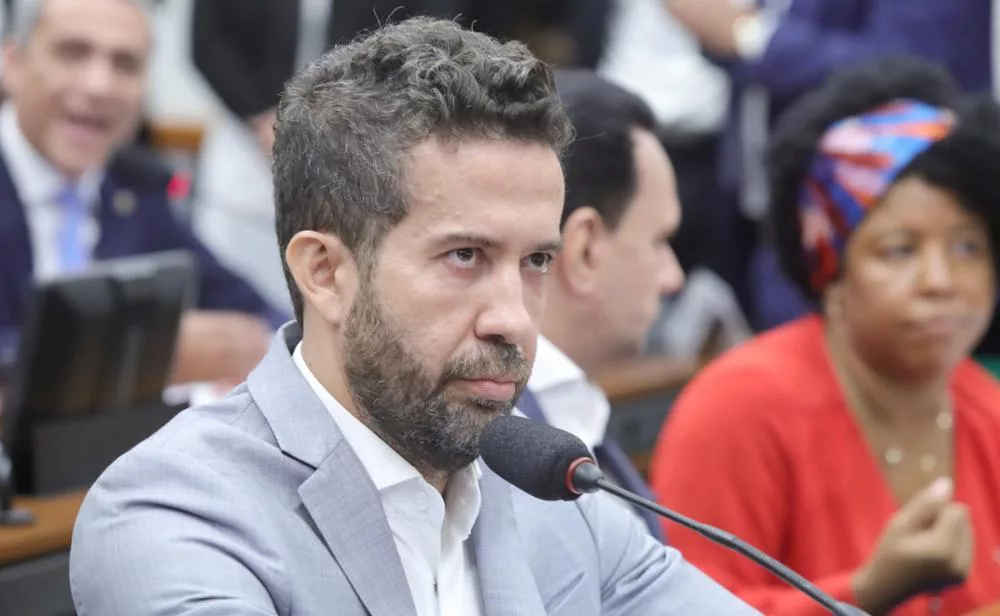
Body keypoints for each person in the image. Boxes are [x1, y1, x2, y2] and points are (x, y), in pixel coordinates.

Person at [68, 17, 759, 615]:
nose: (514, 320)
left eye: (536, 262)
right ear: (325, 272)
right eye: (464, 255)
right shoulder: (172, 513)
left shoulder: (557, 499)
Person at [649, 57, 1000, 616]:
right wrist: (865, 594)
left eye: (967, 248)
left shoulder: (987, 407)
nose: (942, 281)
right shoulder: (738, 409)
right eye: (900, 250)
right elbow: (676, 609)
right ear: (830, 272)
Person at [0, 0, 285, 386]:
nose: (100, 86)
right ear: (13, 64)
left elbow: (258, 316)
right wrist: (142, 353)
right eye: (72, 53)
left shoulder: (134, 186)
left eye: (125, 65)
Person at [190, 0, 467, 312]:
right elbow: (207, 44)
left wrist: (347, 120)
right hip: (246, 139)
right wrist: (262, 117)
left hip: (363, 139)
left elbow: (427, 42)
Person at [514, 69, 685, 543]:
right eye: (659, 242)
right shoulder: (497, 453)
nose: (674, 277)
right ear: (586, 249)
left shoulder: (568, 413)